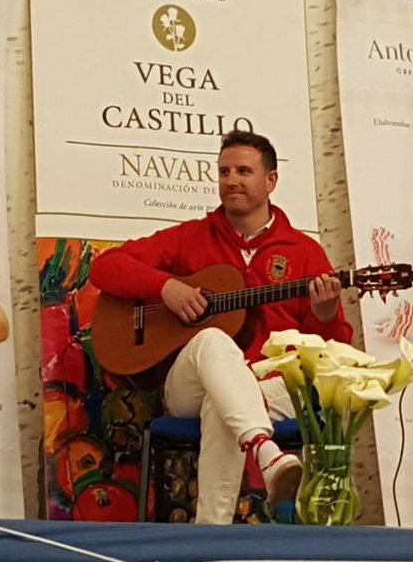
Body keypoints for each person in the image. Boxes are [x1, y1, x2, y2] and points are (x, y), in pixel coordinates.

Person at [90, 130, 353, 524]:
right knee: (211, 339)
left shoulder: (305, 252)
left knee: (225, 400)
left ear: (271, 180)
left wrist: (325, 313)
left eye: (244, 171)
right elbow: (104, 267)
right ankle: (265, 453)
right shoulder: (190, 237)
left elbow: (333, 353)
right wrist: (166, 287)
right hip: (190, 384)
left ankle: (213, 527)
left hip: (275, 384)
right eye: (224, 171)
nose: (232, 180)